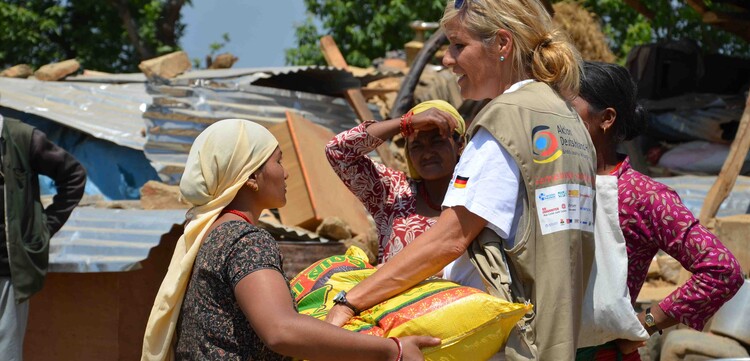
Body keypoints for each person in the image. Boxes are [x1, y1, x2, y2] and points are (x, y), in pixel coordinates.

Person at [326, 0, 596, 360]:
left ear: (502, 44)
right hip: (555, 337)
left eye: (458, 45)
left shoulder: (504, 124)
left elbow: (449, 239)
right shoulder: (567, 120)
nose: (447, 60)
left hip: (509, 344)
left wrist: (350, 302)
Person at [141, 118, 440, 361]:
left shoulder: (211, 235)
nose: (285, 174)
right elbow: (281, 330)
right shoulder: (245, 240)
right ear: (251, 177)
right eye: (278, 162)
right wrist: (392, 349)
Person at [571, 61, 744, 360]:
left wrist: (646, 323)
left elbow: (721, 269)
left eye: (568, 106)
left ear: (607, 118)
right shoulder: (549, 181)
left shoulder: (643, 195)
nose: (557, 117)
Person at [325, 100, 487, 289]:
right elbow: (338, 151)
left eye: (437, 141)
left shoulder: (478, 197)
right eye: (417, 146)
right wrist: (405, 123)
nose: (427, 154)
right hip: (392, 313)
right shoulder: (393, 193)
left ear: (460, 145)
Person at [0, 115, 86, 361]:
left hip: (7, 270)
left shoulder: (22, 138)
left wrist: (42, 230)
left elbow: (73, 176)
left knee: (5, 353)